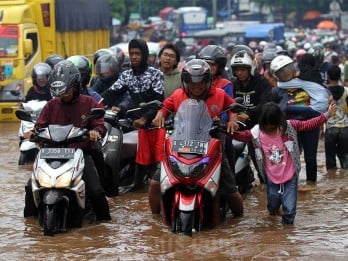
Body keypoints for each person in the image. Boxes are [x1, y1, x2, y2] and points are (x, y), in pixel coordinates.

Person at [151, 59, 244, 217]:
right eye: (192, 82)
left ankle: (238, 220)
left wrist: (232, 122)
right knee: (154, 184)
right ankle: (155, 219)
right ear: (185, 82)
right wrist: (159, 117)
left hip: (212, 148)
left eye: (201, 82)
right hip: (180, 146)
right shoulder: (178, 94)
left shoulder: (220, 94)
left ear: (208, 81)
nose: (196, 86)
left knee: (231, 192)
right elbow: (165, 107)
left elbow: (232, 108)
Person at [23, 60, 111, 221]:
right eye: (60, 92)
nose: (63, 95)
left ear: (76, 86)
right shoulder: (51, 105)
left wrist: (95, 132)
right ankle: (29, 222)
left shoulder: (89, 102)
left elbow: (100, 124)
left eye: (67, 90)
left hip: (81, 152)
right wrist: (32, 133)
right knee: (31, 186)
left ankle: (104, 224)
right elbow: (40, 125)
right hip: (51, 153)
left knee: (96, 191)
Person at [232, 101, 336, 224]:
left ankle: (286, 233)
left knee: (290, 209)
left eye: (272, 125)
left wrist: (327, 115)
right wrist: (227, 129)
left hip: (290, 175)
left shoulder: (289, 127)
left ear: (278, 121)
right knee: (272, 204)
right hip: (271, 176)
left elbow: (308, 124)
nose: (269, 127)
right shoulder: (256, 132)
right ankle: (273, 214)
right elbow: (241, 136)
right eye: (266, 125)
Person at [102, 38, 165, 191]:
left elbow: (159, 101)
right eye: (131, 53)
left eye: (137, 53)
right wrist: (94, 104)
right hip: (137, 125)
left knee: (158, 164)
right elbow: (110, 94)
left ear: (144, 55)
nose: (134, 56)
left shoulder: (155, 74)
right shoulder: (126, 75)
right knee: (140, 164)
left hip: (157, 123)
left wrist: (145, 118)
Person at [270, 55, 330, 183]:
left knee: (310, 158)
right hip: (290, 127)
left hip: (311, 125)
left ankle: (311, 184)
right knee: (291, 157)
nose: (285, 73)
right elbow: (273, 109)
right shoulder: (277, 90)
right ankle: (292, 184)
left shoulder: (307, 81)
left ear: (293, 67)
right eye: (281, 71)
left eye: (287, 69)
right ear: (277, 75)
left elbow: (324, 96)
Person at [230, 50, 273, 184]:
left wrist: (248, 113)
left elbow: (265, 102)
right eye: (237, 70)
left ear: (250, 69)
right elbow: (228, 103)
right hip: (239, 127)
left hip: (260, 126)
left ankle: (266, 181)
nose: (240, 73)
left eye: (243, 69)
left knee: (260, 156)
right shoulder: (233, 84)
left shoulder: (261, 82)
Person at [325, 65, 348, 170]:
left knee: (330, 161)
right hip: (345, 128)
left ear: (328, 76)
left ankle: (331, 180)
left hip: (330, 128)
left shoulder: (324, 92)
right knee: (345, 158)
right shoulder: (347, 91)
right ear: (340, 76)